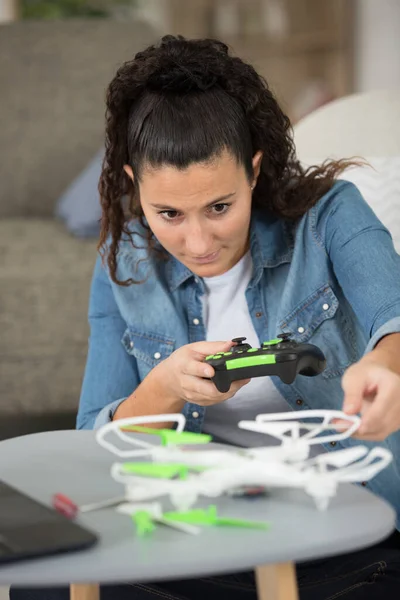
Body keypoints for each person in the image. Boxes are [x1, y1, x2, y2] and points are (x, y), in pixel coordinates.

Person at [11, 35, 400, 600]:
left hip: (341, 531)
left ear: (253, 171)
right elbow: (95, 441)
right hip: (194, 535)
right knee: (36, 589)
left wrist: (386, 366)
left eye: (220, 207)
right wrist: (166, 385)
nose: (197, 242)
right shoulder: (123, 263)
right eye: (167, 213)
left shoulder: (331, 216)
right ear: (133, 185)